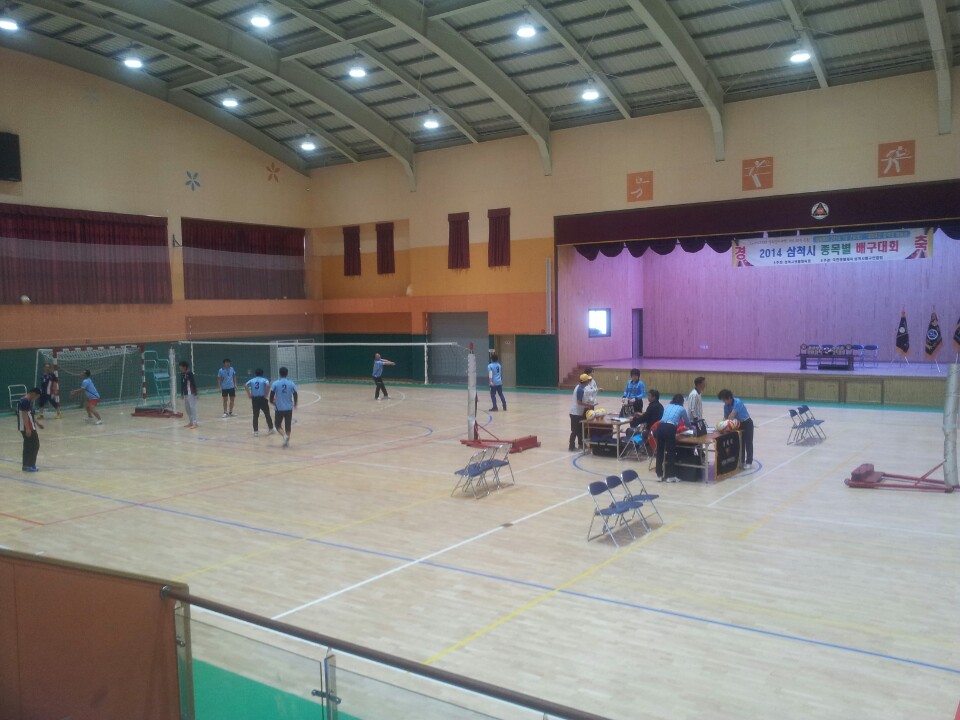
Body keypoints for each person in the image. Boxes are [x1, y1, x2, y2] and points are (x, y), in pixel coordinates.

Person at [655, 394, 691, 483]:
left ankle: (659, 475)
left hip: (660, 427)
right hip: (670, 428)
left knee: (660, 451)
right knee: (671, 452)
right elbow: (687, 422)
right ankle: (670, 476)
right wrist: (690, 426)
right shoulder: (681, 409)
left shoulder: (667, 406)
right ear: (682, 402)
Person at [718, 389, 754, 467]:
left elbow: (731, 416)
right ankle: (742, 461)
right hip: (738, 424)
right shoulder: (726, 406)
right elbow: (725, 418)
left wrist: (724, 425)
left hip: (746, 423)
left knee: (748, 442)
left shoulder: (738, 402)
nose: (723, 402)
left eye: (724, 400)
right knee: (741, 443)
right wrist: (720, 426)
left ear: (729, 398)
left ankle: (749, 462)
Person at [270, 366, 298, 448]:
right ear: (287, 373)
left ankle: (284, 436)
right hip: (289, 408)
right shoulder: (291, 383)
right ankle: (287, 442)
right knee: (288, 425)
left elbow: (271, 397)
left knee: (277, 425)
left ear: (279, 373)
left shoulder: (275, 383)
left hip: (279, 408)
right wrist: (295, 403)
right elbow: (295, 393)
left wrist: (273, 403)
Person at [568, 373, 595, 451]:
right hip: (575, 413)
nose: (589, 382)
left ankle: (581, 444)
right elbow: (579, 402)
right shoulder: (580, 390)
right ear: (585, 381)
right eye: (588, 380)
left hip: (579, 412)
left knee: (580, 430)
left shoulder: (579, 387)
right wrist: (588, 405)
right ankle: (571, 446)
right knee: (574, 430)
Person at [17, 387, 43, 472]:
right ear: (33, 394)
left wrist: (38, 423)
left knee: (28, 445)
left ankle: (26, 465)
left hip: (26, 426)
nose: (36, 398)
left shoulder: (23, 400)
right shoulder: (26, 401)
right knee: (34, 445)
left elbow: (29, 414)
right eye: (37, 396)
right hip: (28, 426)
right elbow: (24, 415)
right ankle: (30, 465)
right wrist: (28, 428)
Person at [245, 368, 275, 436]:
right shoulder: (264, 380)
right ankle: (271, 429)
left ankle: (256, 431)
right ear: (262, 374)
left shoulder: (252, 380)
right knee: (267, 414)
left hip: (255, 399)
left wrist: (249, 394)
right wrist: (266, 394)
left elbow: (246, 385)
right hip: (262, 398)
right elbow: (268, 385)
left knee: (255, 415)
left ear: (255, 374)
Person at [178, 361, 199, 429]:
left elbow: (193, 383)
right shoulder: (182, 374)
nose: (179, 367)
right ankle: (191, 422)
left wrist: (196, 393)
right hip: (186, 393)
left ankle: (195, 423)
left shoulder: (189, 373)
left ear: (184, 367)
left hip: (191, 393)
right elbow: (182, 384)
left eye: (180, 366)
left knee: (192, 407)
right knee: (187, 408)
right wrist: (182, 393)